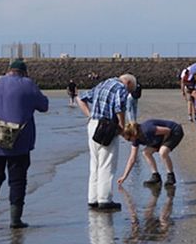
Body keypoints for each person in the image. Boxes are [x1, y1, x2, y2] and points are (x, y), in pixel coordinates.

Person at [0, 59, 49, 228]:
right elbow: (44, 106)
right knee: (18, 180)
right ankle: (15, 220)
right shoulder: (28, 84)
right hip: (19, 141)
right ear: (24, 72)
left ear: (8, 70)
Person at [77, 74, 137, 211]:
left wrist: (90, 114)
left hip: (93, 124)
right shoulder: (120, 88)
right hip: (108, 126)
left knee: (95, 164)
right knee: (107, 164)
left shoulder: (103, 83)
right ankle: (104, 200)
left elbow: (81, 98)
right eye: (130, 90)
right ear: (127, 83)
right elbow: (118, 108)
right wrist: (122, 127)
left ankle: (92, 199)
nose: (128, 93)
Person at [117, 120, 184, 187]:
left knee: (163, 152)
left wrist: (161, 145)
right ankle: (155, 176)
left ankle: (170, 176)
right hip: (160, 137)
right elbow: (132, 158)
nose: (129, 141)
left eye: (129, 139)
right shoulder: (136, 139)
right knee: (146, 152)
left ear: (133, 134)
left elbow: (167, 131)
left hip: (174, 131)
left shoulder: (147, 129)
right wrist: (124, 176)